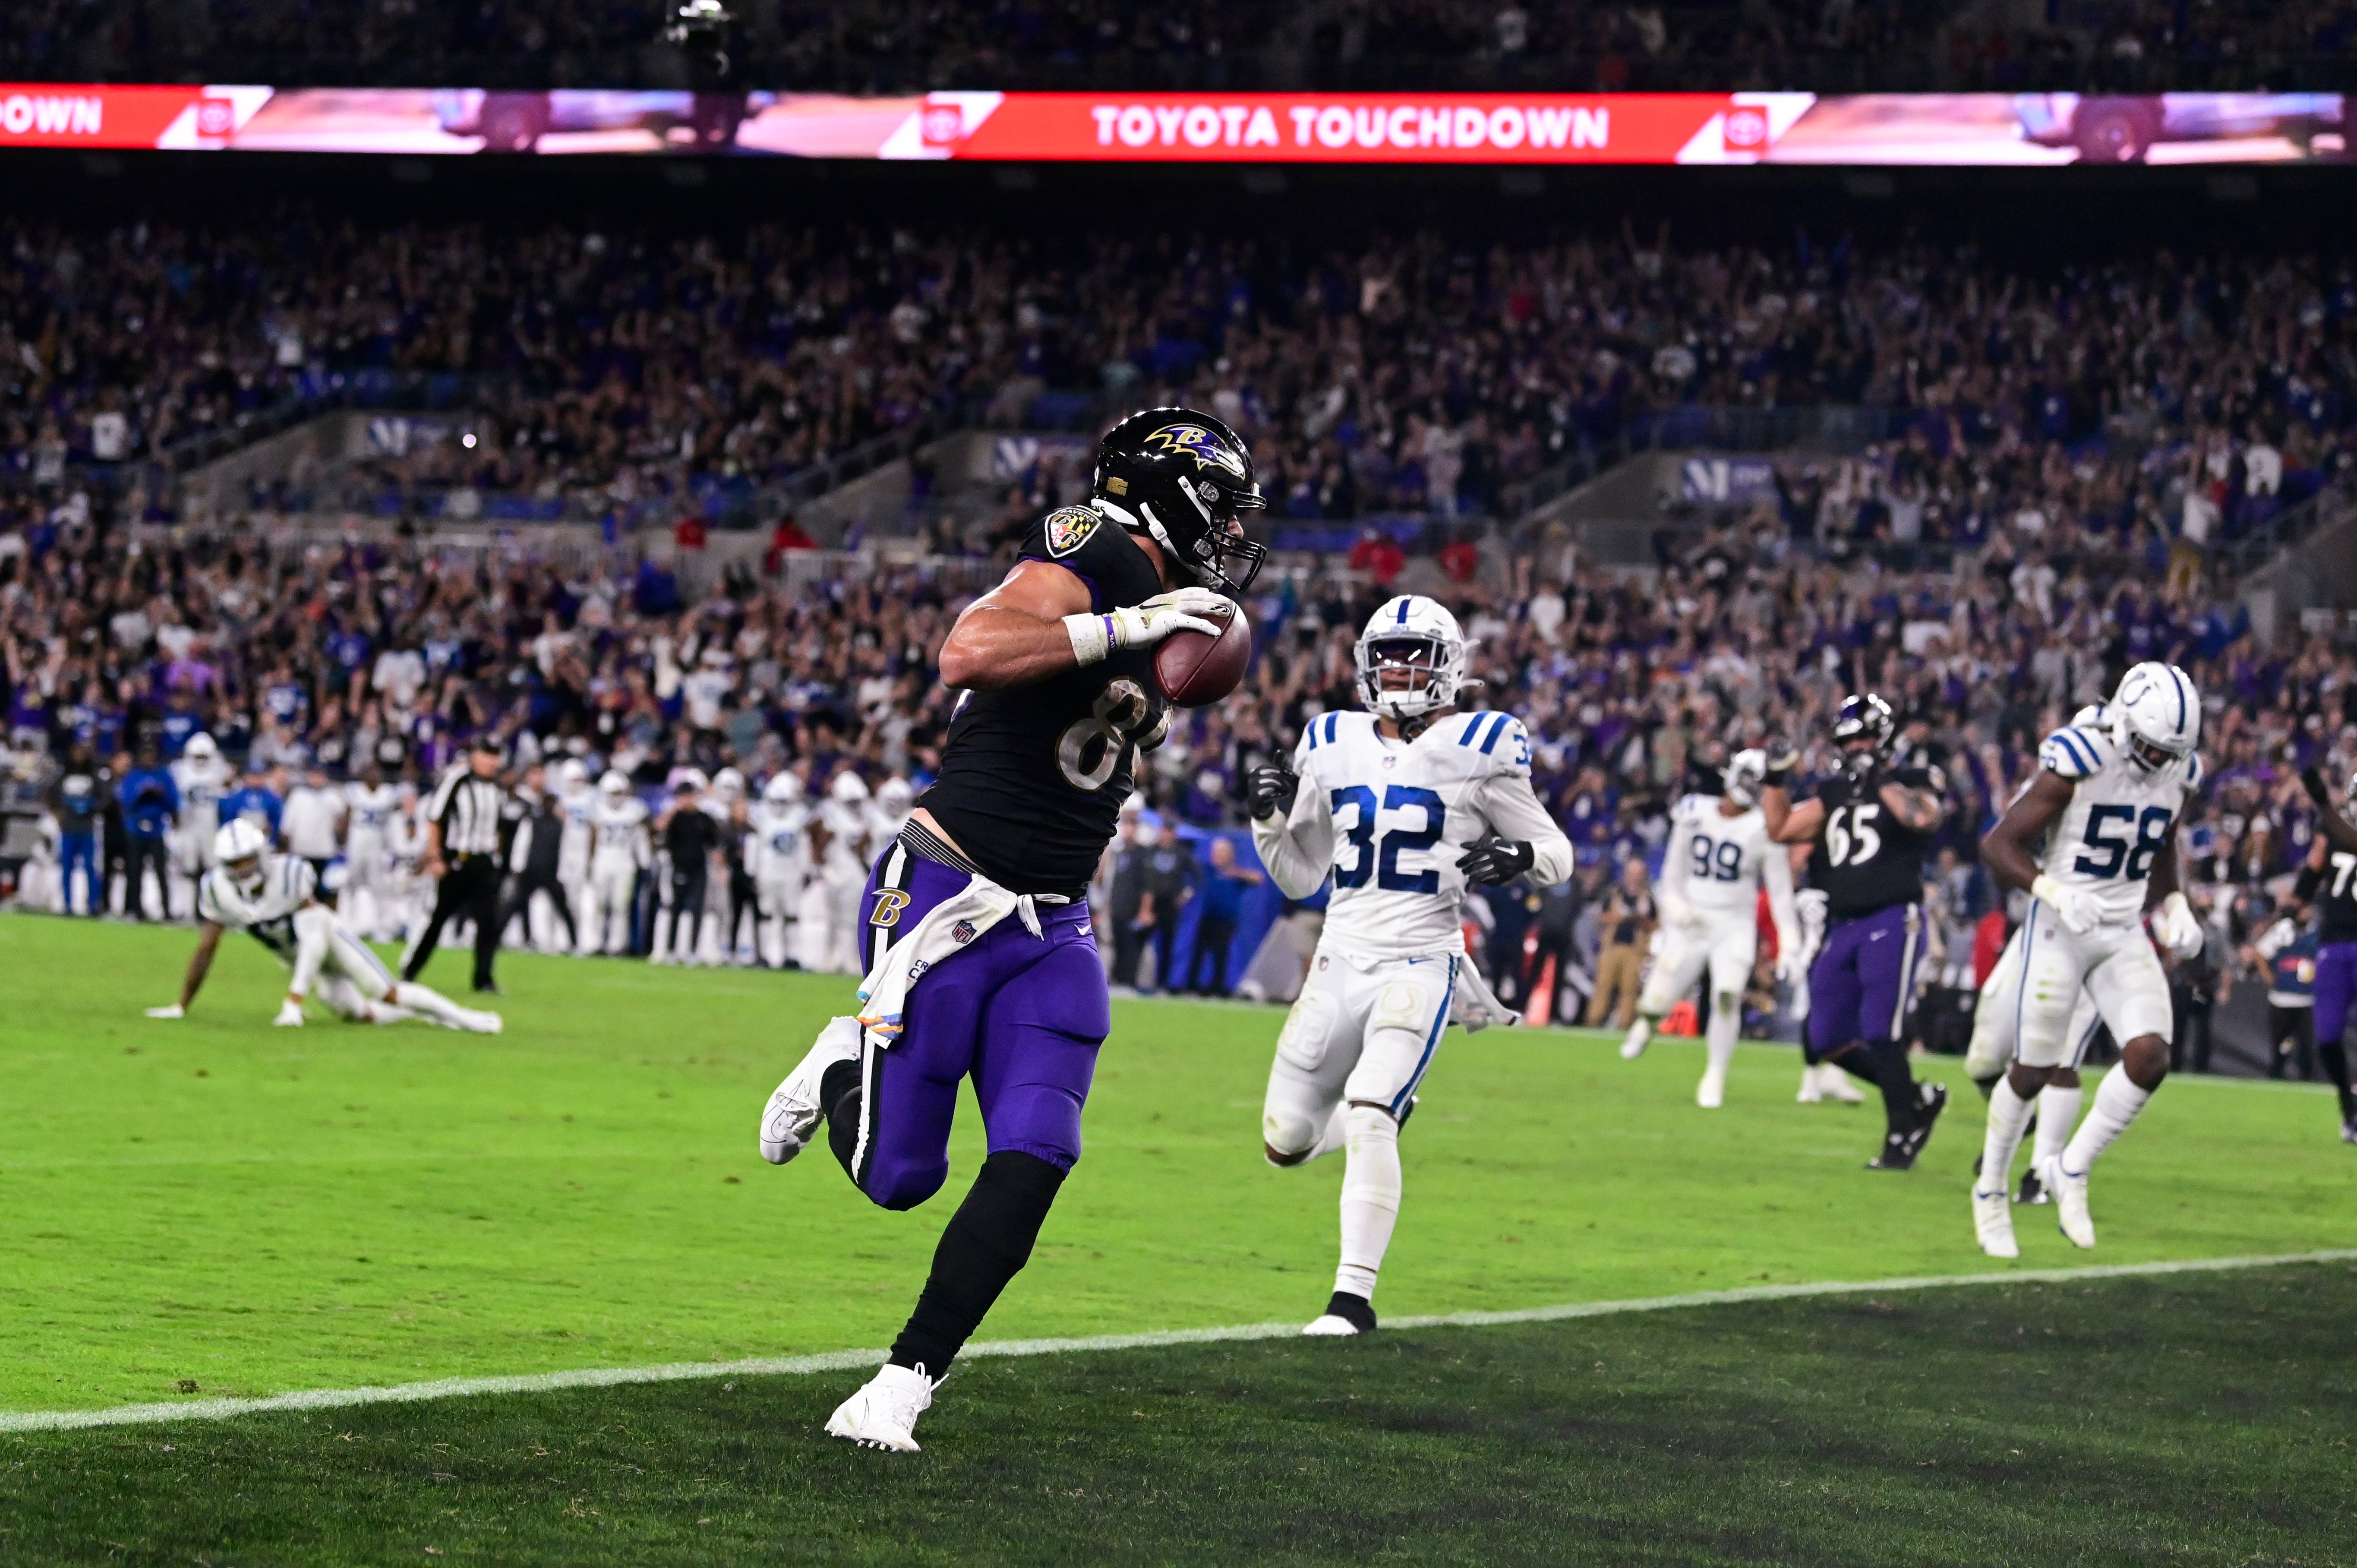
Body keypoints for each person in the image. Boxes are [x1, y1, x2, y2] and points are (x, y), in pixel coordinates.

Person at [755, 405, 1267, 1451]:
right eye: (1220, 505)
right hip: (948, 897)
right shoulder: (1098, 542)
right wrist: (1130, 626)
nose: (1230, 532)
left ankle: (903, 1383)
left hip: (1054, 924)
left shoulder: (1166, 586)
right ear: (1167, 491)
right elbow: (968, 649)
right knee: (901, 1177)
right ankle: (841, 1058)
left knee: (1038, 1150)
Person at [1245, 593, 1568, 1336]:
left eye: (1414, 652)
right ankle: (1391, 1111)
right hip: (1337, 959)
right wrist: (1266, 817)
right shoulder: (1327, 738)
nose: (1398, 667)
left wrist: (1519, 854)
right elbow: (1301, 874)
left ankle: (1350, 1300)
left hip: (1420, 960)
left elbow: (1559, 852)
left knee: (1366, 1113)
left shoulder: (1487, 741)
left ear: (1447, 662)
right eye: (1386, 652)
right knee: (1285, 1142)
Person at [1970, 663, 2206, 1257]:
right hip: (2060, 926)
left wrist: (2175, 900)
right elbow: (1998, 845)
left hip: (2121, 928)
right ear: (2125, 721)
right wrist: (2052, 889)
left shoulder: (2180, 769)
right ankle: (1990, 1189)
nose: (2156, 761)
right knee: (2030, 1070)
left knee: (2150, 1057)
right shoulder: (2083, 756)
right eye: (2150, 747)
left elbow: (2159, 840)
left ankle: (2070, 1168)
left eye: (2168, 752)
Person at [1762, 693, 1950, 1171]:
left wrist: (1879, 779)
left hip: (1892, 918)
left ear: (1883, 739)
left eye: (1865, 737)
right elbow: (1781, 827)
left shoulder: (1911, 778)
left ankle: (1900, 1135)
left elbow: (1922, 817)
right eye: (1850, 740)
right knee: (1824, 1036)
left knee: (1880, 1031)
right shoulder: (1834, 791)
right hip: (1842, 924)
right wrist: (1775, 777)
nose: (1857, 746)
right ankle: (1916, 1099)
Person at [143, 819, 499, 1033]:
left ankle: (468, 1019)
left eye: (248, 858)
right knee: (358, 1014)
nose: (243, 868)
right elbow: (207, 949)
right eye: (235, 862)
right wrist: (182, 1005)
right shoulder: (218, 889)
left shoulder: (291, 874)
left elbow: (314, 936)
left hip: (328, 940)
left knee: (384, 990)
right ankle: (426, 1016)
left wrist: (294, 999)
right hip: (296, 957)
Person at [1617, 750, 1803, 1109]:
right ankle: (1648, 1023)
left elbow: (1780, 892)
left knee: (1727, 995)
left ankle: (1715, 1072)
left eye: (1756, 781)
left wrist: (1790, 943)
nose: (1748, 786)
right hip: (1692, 920)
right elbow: (1670, 875)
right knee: (1656, 1002)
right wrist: (1676, 908)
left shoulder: (1764, 827)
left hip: (1733, 924)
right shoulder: (1694, 811)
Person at [403, 737, 511, 994]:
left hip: (484, 861)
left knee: (488, 923)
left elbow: (500, 827)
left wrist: (496, 855)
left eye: (495, 755)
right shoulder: (458, 780)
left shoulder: (498, 787)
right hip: (458, 860)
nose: (491, 761)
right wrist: (436, 857)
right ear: (475, 756)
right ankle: (411, 970)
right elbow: (435, 818)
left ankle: (483, 979)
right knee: (439, 919)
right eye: (487, 754)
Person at [2292, 762, 2357, 1141]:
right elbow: (2312, 871)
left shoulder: (2339, 829)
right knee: (2327, 1036)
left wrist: (2322, 802)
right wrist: (2294, 903)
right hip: (2334, 942)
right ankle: (2348, 1107)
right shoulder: (2330, 832)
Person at [501, 773, 580, 953]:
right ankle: (510, 937)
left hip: (551, 873)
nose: (549, 805)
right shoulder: (532, 821)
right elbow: (522, 843)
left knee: (563, 909)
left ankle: (574, 942)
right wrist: (518, 867)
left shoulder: (560, 825)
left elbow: (565, 850)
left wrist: (563, 873)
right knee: (516, 905)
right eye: (547, 802)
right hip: (532, 871)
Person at [656, 771, 721, 965]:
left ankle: (693, 951)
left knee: (697, 911)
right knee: (675, 910)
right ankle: (671, 950)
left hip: (699, 870)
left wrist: (720, 869)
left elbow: (714, 845)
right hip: (678, 868)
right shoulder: (675, 817)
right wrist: (674, 809)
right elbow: (659, 828)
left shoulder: (704, 819)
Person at [1185, 836, 1263, 994]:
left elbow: (1258, 878)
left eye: (1220, 853)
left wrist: (1236, 873)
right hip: (1208, 917)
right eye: (1215, 853)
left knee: (1221, 955)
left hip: (1226, 921)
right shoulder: (1209, 870)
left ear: (1229, 855)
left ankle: (1218, 987)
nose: (1216, 857)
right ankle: (1191, 986)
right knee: (1199, 953)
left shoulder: (1235, 874)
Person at [586, 770, 651, 955]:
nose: (616, 798)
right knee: (599, 904)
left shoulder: (634, 810)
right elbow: (592, 837)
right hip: (603, 859)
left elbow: (641, 838)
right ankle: (596, 942)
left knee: (620, 906)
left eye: (619, 793)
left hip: (625, 861)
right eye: (612, 793)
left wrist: (644, 862)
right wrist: (590, 862)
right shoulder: (597, 809)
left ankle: (617, 944)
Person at [1583, 859, 1654, 1029]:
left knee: (1630, 990)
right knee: (1603, 986)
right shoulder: (1615, 894)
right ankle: (1594, 1020)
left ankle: (1626, 1023)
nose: (1635, 878)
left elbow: (1655, 924)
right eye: (1632, 874)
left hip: (1635, 950)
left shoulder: (1647, 898)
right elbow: (1600, 917)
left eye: (1638, 874)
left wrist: (1639, 919)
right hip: (1612, 947)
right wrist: (1619, 918)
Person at [749, 770, 808, 969]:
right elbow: (753, 845)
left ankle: (791, 955)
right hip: (768, 872)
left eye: (784, 801)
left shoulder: (799, 816)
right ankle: (765, 955)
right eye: (777, 801)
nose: (780, 806)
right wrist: (752, 871)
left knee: (792, 915)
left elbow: (803, 846)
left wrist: (806, 870)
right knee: (766, 914)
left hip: (791, 873)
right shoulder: (761, 815)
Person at [43, 739, 107, 916]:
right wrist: (58, 815)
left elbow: (104, 798)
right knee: (67, 868)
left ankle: (93, 905)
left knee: (90, 867)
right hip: (69, 829)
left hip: (87, 829)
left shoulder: (93, 777)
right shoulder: (64, 776)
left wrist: (93, 810)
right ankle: (67, 905)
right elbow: (49, 795)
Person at [115, 744, 178, 921]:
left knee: (161, 871)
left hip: (157, 829)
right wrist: (142, 793)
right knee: (134, 871)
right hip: (135, 828)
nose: (148, 759)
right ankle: (135, 910)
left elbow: (173, 801)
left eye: (151, 755)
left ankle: (166, 911)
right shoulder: (133, 776)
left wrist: (160, 794)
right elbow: (126, 801)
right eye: (145, 755)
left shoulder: (163, 775)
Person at [342, 762, 403, 941]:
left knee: (379, 889)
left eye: (377, 774)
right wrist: (341, 842)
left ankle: (381, 928)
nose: (374, 777)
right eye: (371, 773)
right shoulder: (354, 791)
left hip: (377, 847)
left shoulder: (388, 794)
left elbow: (395, 819)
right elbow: (346, 817)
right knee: (351, 885)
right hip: (356, 845)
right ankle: (346, 924)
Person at [279, 766, 347, 901]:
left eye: (320, 776)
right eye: (314, 776)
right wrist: (286, 844)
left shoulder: (332, 796)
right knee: (300, 886)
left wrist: (339, 834)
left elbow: (344, 814)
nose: (316, 780)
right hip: (301, 849)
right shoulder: (298, 795)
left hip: (323, 850)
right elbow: (287, 825)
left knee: (321, 888)